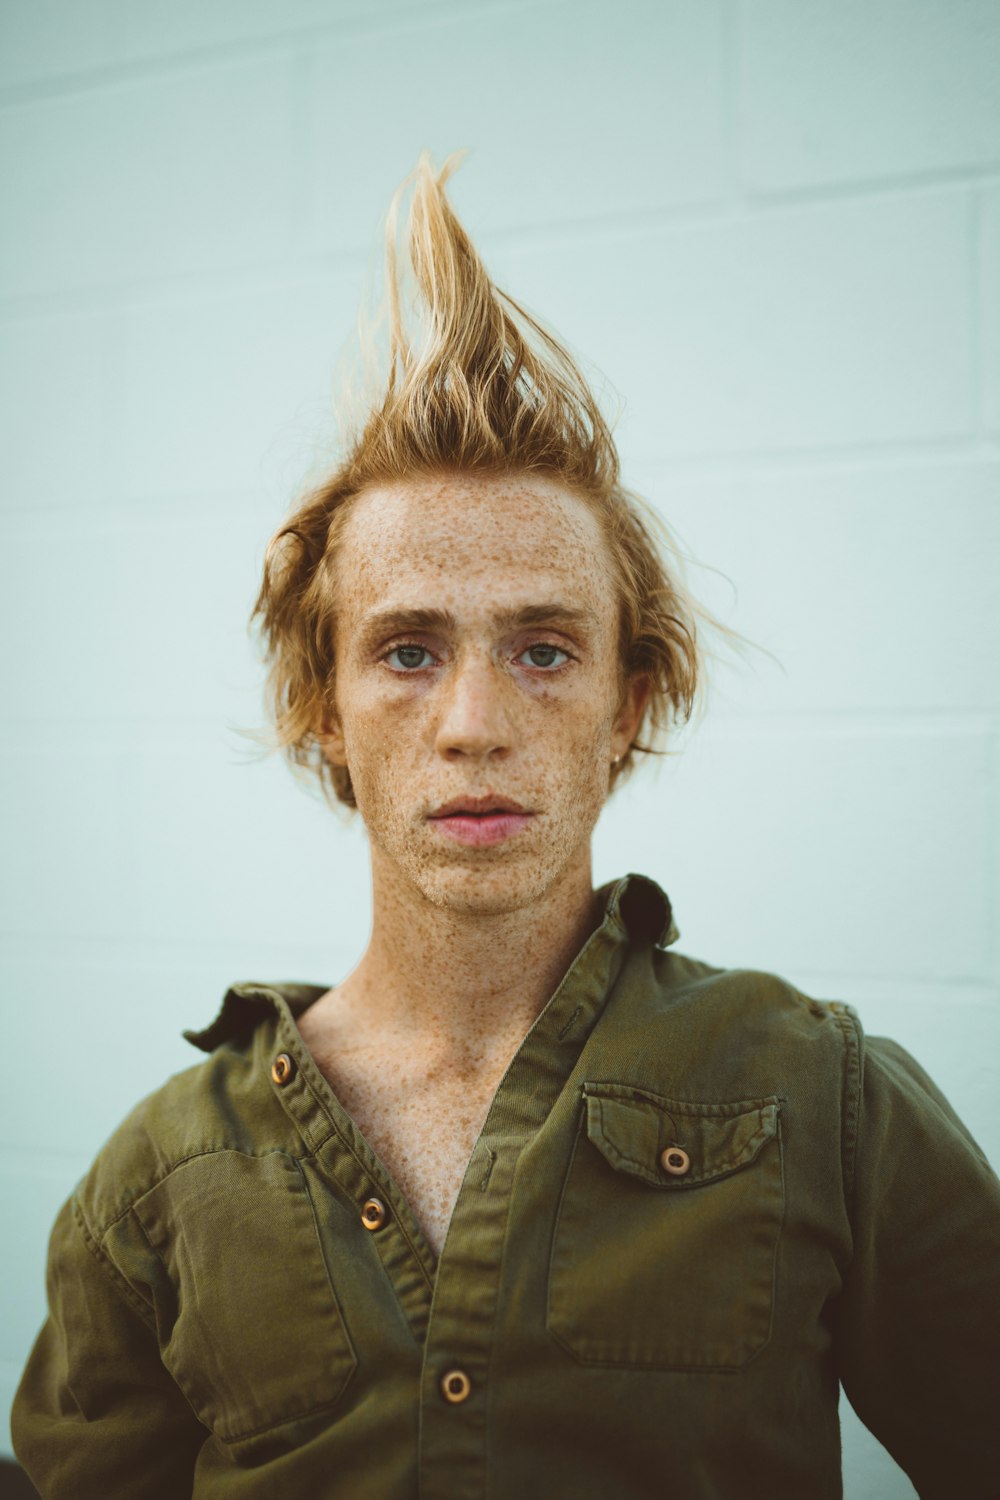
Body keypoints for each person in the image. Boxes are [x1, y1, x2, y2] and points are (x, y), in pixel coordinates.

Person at [11, 150, 1000, 1500]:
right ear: (321, 708)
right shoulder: (158, 1181)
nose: (474, 722)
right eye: (408, 651)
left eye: (543, 650)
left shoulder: (820, 1101)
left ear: (625, 707)